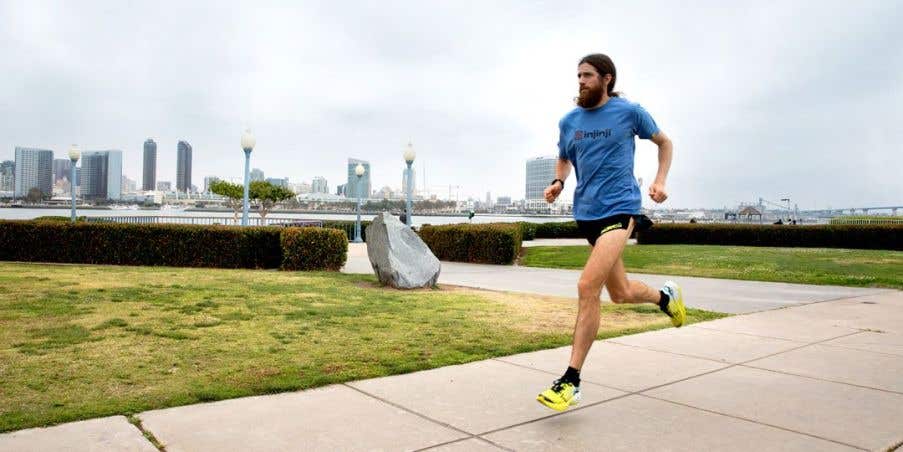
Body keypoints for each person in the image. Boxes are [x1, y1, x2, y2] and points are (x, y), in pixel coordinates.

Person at [536, 53, 686, 412]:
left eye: (587, 75)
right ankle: (667, 298)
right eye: (578, 76)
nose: (580, 81)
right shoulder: (568, 121)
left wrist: (660, 179)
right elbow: (564, 156)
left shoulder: (629, 112)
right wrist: (558, 180)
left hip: (621, 208)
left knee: (588, 286)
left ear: (607, 79)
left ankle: (570, 381)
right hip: (587, 213)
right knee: (619, 293)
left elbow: (665, 142)